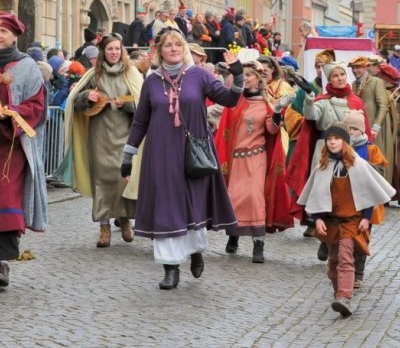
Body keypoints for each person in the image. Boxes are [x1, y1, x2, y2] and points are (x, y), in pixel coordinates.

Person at [120, 29, 244, 290]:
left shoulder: (199, 75)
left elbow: (230, 99)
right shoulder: (152, 81)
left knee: (192, 205)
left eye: (178, 44)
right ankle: (171, 267)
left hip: (193, 153)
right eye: (168, 45)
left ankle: (195, 251)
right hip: (161, 155)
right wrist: (128, 155)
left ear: (184, 48)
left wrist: (238, 73)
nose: (174, 48)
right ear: (159, 50)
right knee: (166, 207)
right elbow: (141, 121)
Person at [298, 122, 395, 317]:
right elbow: (316, 195)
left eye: (337, 139)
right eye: (330, 139)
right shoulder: (322, 167)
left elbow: (367, 192)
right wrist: (317, 219)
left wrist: (366, 218)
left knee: (345, 258)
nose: (333, 142)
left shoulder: (358, 165)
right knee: (333, 263)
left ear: (345, 142)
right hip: (331, 222)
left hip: (351, 221)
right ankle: (338, 294)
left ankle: (344, 296)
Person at [56, 32, 143, 248]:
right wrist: (88, 98)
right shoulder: (93, 75)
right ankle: (104, 227)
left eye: (117, 49)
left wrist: (129, 105)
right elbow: (74, 102)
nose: (113, 53)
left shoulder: (131, 74)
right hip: (99, 135)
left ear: (122, 51)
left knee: (123, 179)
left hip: (126, 135)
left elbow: (144, 104)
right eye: (109, 49)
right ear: (103, 52)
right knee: (102, 180)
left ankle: (124, 221)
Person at [215, 61, 293, 263]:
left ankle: (259, 244)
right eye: (245, 75)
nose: (247, 78)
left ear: (259, 79)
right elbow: (225, 131)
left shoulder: (267, 104)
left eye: (250, 75)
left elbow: (272, 130)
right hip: (236, 159)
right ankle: (233, 235)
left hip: (257, 157)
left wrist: (276, 112)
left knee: (255, 197)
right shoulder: (235, 103)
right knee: (234, 197)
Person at [286, 62, 371, 235]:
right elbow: (310, 115)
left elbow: (364, 129)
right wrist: (309, 95)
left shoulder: (355, 101)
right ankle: (322, 228)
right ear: (329, 80)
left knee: (345, 191)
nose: (339, 78)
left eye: (342, 75)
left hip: (350, 150)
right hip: (325, 149)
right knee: (326, 190)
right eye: (335, 76)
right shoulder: (323, 101)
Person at [0, 12, 47, 288]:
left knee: (6, 201)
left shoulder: (27, 67)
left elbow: (38, 106)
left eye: (3, 31)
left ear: (15, 35)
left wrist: (12, 113)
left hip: (11, 148)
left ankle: (1, 263)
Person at [343, 109, 388, 288]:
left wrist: (363, 166)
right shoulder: (339, 148)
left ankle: (358, 273)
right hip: (344, 200)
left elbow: (381, 171)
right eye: (348, 128)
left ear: (362, 130)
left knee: (362, 237)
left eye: (354, 128)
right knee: (341, 233)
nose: (351, 132)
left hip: (365, 203)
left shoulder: (371, 149)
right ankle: (344, 268)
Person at [348, 56, 392, 184]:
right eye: (353, 68)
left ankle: (380, 188)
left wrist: (376, 127)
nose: (355, 71)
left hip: (373, 128)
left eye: (358, 68)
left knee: (375, 158)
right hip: (360, 129)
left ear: (366, 67)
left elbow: (383, 105)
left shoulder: (376, 82)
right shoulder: (353, 84)